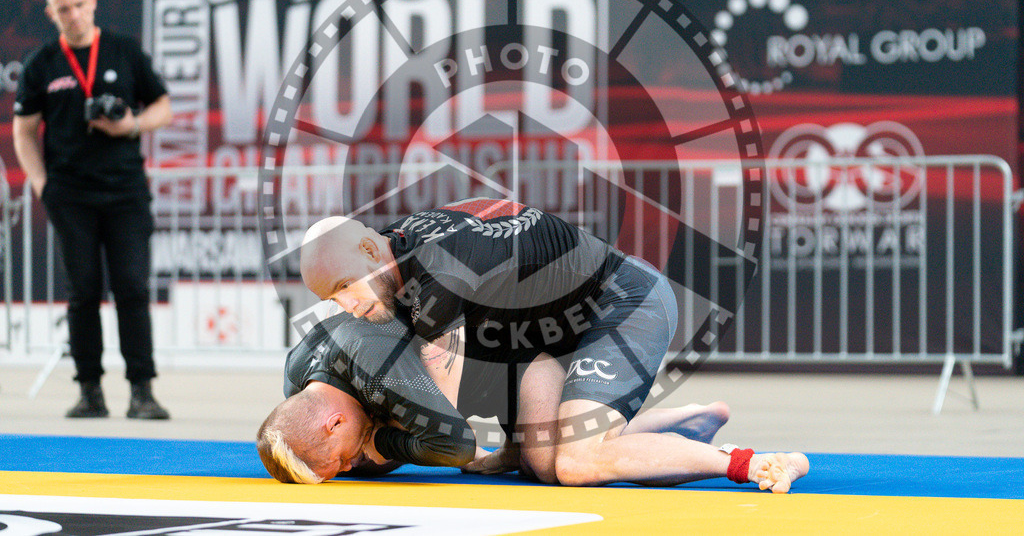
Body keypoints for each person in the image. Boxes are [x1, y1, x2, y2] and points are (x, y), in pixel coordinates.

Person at [266, 199, 809, 491]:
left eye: (344, 289)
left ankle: (749, 463)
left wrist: (383, 445)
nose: (347, 306)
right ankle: (684, 423)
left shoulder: (438, 276)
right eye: (333, 301)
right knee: (540, 463)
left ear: (368, 251)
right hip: (546, 343)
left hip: (623, 304)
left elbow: (456, 428)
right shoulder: (399, 246)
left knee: (575, 463)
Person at [12, 0, 173, 419]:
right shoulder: (41, 63)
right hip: (70, 195)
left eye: (80, 5)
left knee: (132, 288)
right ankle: (89, 391)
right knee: (82, 291)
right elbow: (23, 132)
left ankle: (142, 390)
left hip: (125, 192)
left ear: (93, 2)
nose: (74, 15)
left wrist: (131, 126)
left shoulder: (124, 50)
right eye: (64, 9)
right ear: (52, 14)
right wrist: (43, 185)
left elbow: (163, 106)